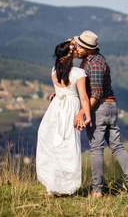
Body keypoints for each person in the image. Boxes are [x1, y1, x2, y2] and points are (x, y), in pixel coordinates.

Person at [73, 30, 128, 197]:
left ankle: (96, 190)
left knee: (96, 149)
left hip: (99, 108)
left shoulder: (94, 65)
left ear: (88, 48)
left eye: (80, 46)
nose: (76, 47)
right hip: (110, 106)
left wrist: (82, 113)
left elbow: (95, 94)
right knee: (117, 146)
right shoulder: (95, 60)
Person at [36, 39, 91, 195]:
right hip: (69, 110)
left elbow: (61, 89)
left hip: (55, 109)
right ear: (71, 54)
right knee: (68, 143)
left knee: (54, 144)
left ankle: (54, 182)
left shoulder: (54, 70)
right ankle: (67, 185)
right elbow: (84, 97)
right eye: (75, 49)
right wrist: (87, 116)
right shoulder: (78, 73)